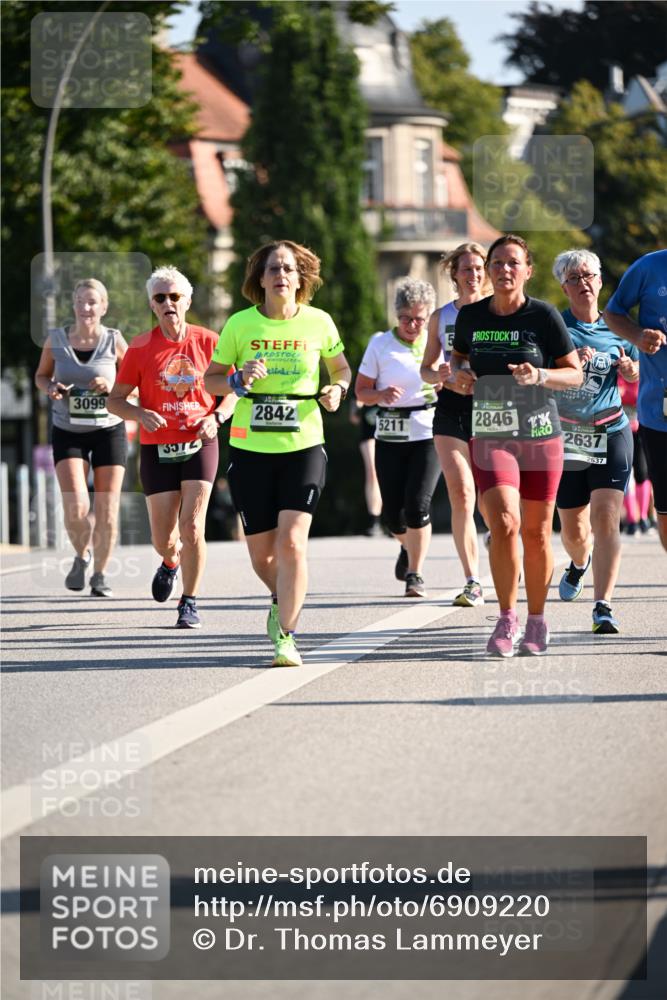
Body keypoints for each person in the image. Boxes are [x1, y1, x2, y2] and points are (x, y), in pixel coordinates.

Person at [204, 240, 351, 667]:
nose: (281, 275)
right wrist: (236, 380)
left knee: (292, 544)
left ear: (300, 277)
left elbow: (340, 367)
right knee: (262, 555)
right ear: (261, 278)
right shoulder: (240, 325)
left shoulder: (319, 322)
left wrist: (337, 389)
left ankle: (286, 635)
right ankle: (281, 594)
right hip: (250, 448)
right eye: (273, 269)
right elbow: (211, 380)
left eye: (288, 269)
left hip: (303, 444)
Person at [450, 234, 582, 657]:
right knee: (504, 521)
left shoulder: (542, 315)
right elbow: (457, 360)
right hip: (491, 432)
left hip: (540, 433)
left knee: (537, 531)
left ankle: (537, 621)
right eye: (497, 263)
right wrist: (459, 375)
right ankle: (507, 618)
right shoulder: (470, 316)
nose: (504, 270)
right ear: (487, 270)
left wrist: (539, 376)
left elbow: (574, 374)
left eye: (513, 263)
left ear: (527, 270)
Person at [108, 266, 233, 629]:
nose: (168, 303)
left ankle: (189, 601)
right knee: (163, 537)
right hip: (157, 448)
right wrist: (138, 412)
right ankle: (171, 561)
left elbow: (234, 389)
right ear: (152, 304)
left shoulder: (210, 341)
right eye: (160, 298)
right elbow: (114, 401)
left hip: (199, 441)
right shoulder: (140, 347)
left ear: (187, 301)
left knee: (192, 526)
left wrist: (218, 417)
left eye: (174, 296)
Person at [552, 250, 639, 634]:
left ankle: (602, 605)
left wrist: (632, 370)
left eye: (589, 275)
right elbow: (540, 377)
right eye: (574, 277)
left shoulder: (618, 326)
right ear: (563, 286)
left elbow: (638, 370)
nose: (583, 282)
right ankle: (578, 562)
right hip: (568, 436)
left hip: (611, 428)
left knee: (606, 516)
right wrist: (567, 365)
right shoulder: (556, 328)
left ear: (601, 281)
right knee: (573, 531)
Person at [34, 278, 128, 597]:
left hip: (109, 430)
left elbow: (136, 384)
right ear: (73, 305)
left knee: (106, 508)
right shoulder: (56, 340)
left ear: (103, 307)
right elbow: (41, 375)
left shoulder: (114, 341)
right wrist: (50, 388)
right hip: (68, 430)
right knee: (75, 505)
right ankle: (83, 555)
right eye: (80, 302)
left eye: (92, 302)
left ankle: (100, 575)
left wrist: (111, 388)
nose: (86, 308)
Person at [355, 278, 440, 598]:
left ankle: (415, 573)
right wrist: (380, 394)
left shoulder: (437, 342)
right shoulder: (380, 344)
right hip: (389, 433)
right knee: (393, 515)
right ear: (396, 315)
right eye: (406, 318)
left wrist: (444, 384)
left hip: (426, 430)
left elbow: (451, 380)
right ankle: (406, 547)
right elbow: (361, 391)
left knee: (418, 506)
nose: (413, 325)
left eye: (420, 319)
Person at [420, 242, 491, 607]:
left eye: (479, 268)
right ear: (455, 275)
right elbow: (426, 368)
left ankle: (498, 534)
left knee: (493, 497)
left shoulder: (499, 313)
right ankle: (472, 580)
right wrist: (442, 375)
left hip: (493, 409)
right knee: (462, 492)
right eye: (466, 269)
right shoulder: (441, 317)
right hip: (450, 408)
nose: (473, 274)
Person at [603, 249, 667, 551]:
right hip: (659, 412)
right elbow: (613, 313)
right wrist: (638, 336)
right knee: (665, 510)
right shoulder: (648, 267)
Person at [348, 397, 383, 536]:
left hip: (395, 435)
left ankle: (397, 519)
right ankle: (375, 520)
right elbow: (354, 418)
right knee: (373, 474)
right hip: (369, 435)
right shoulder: (365, 378)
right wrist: (357, 407)